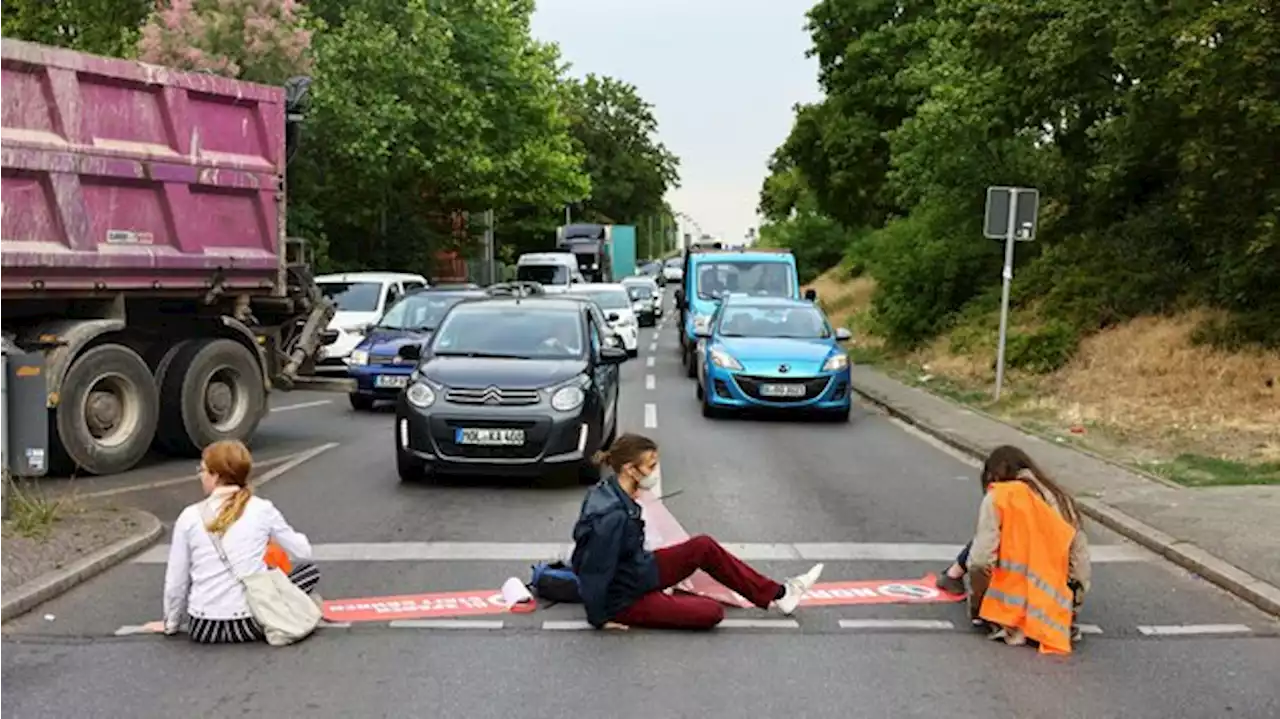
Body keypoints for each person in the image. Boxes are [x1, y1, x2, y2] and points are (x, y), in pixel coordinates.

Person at [571, 433, 824, 630]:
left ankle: (781, 594)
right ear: (629, 468)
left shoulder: (609, 489)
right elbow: (595, 568)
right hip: (625, 600)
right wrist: (599, 618)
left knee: (703, 546)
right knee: (711, 612)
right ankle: (655, 603)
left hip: (640, 571)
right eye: (650, 466)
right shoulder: (612, 516)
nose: (655, 473)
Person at [162, 440, 320, 644]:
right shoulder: (262, 509)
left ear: (216, 476)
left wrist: (171, 623)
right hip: (250, 622)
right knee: (309, 571)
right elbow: (303, 552)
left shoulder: (189, 516)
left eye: (202, 470)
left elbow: (176, 579)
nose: (200, 476)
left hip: (204, 627)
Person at [961, 445, 1091, 654]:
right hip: (1051, 621)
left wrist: (978, 605)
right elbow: (1080, 566)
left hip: (1007, 617)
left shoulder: (999, 497)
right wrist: (1071, 612)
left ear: (992, 475)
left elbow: (980, 561)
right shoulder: (1061, 498)